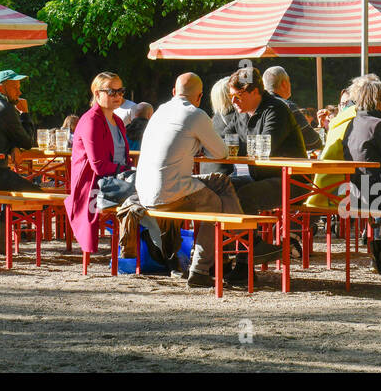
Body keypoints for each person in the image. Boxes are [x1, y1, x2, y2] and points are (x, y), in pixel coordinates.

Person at [134, 72, 244, 288]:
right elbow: (221, 152)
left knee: (220, 181)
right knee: (214, 203)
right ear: (199, 96)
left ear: (174, 92)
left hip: (144, 190)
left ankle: (236, 242)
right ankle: (204, 267)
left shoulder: (159, 112)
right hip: (168, 191)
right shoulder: (196, 114)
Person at [222, 69, 299, 263]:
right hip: (260, 176)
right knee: (222, 188)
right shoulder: (240, 114)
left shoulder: (276, 109)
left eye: (237, 96)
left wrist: (236, 148)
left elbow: (267, 146)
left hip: (293, 180)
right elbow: (224, 140)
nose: (233, 101)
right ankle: (223, 257)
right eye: (231, 96)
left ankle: (249, 256)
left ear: (255, 91)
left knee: (245, 195)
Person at [66, 72, 136, 258]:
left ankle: (151, 253)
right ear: (97, 94)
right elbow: (99, 167)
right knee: (147, 194)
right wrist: (129, 171)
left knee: (157, 191)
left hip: (117, 181)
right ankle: (137, 252)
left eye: (121, 91)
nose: (118, 96)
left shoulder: (119, 121)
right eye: (112, 92)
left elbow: (123, 159)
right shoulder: (91, 121)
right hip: (95, 187)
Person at [339, 76, 381, 278]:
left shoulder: (353, 123)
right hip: (380, 194)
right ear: (376, 99)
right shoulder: (377, 125)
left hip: (356, 192)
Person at [263, 66, 319, 155]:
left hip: (261, 164)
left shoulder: (259, 106)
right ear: (284, 84)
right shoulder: (287, 106)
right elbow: (313, 141)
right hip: (288, 165)